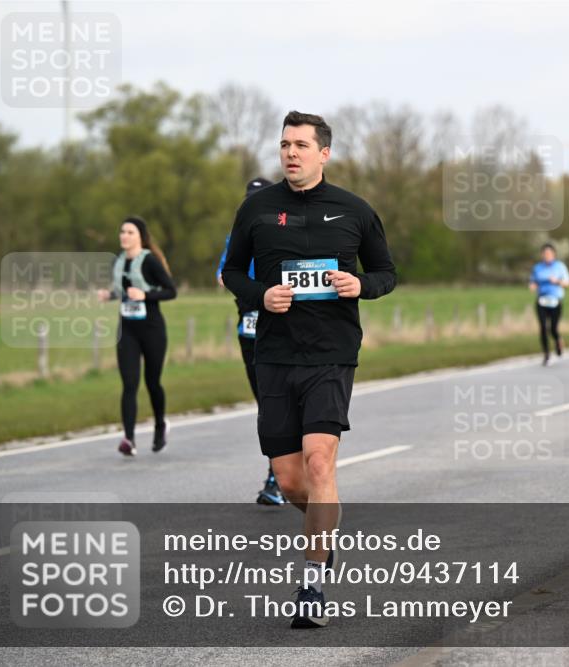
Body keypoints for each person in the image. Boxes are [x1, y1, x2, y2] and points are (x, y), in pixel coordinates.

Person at [222, 111, 396, 628]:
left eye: (300, 145)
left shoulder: (354, 211)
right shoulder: (256, 209)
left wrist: (361, 285)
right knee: (291, 479)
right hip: (274, 355)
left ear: (324, 153)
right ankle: (325, 528)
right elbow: (231, 271)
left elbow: (387, 272)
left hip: (331, 353)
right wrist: (261, 294)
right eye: (284, 145)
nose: (290, 153)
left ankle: (313, 584)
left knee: (320, 464)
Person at [217, 176, 285, 506]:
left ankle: (279, 476)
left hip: (284, 330)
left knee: (280, 404)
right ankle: (281, 471)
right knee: (266, 405)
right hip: (249, 326)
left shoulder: (288, 233)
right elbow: (223, 275)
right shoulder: (237, 237)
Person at [97, 216, 177, 456]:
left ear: (140, 236)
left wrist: (145, 295)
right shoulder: (118, 262)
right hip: (127, 330)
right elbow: (123, 293)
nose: (124, 236)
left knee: (153, 383)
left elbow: (171, 291)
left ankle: (160, 425)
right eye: (122, 231)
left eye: (130, 232)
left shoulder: (150, 261)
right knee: (129, 384)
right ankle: (128, 439)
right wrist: (110, 295)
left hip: (152, 329)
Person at [529, 243, 569, 366]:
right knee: (542, 328)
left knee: (553, 328)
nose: (546, 255)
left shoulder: (560, 267)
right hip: (541, 300)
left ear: (554, 254)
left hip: (555, 300)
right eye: (544, 253)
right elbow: (533, 282)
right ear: (542, 255)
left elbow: (568, 283)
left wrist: (557, 281)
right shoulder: (537, 268)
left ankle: (558, 340)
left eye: (549, 253)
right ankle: (546, 355)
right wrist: (533, 285)